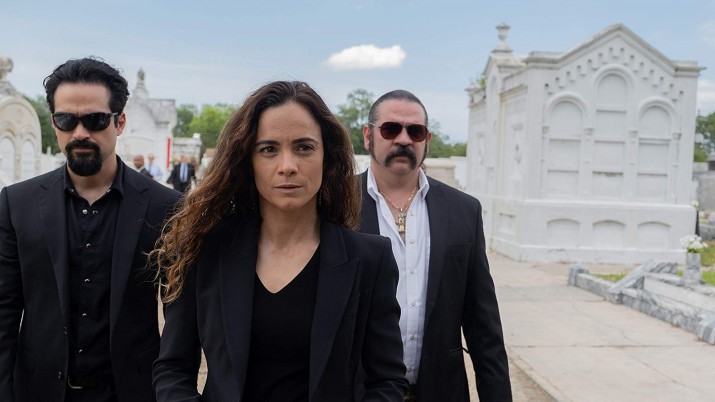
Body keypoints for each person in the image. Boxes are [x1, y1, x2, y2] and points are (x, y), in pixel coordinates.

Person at [152, 81, 407, 401]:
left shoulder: (370, 259)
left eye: (304, 147)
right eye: (269, 149)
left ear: (327, 157)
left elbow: (387, 381)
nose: (288, 167)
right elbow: (173, 369)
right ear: (248, 160)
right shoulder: (205, 249)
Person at [0, 57, 180, 402]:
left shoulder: (166, 207)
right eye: (66, 120)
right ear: (54, 123)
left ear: (119, 122)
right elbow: (4, 310)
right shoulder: (17, 204)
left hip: (132, 392)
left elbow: (181, 319)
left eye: (95, 120)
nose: (80, 133)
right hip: (39, 391)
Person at [358, 90, 512, 402]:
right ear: (368, 136)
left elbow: (483, 326)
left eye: (415, 131)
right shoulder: (335, 206)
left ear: (427, 140)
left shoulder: (463, 211)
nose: (403, 139)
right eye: (390, 129)